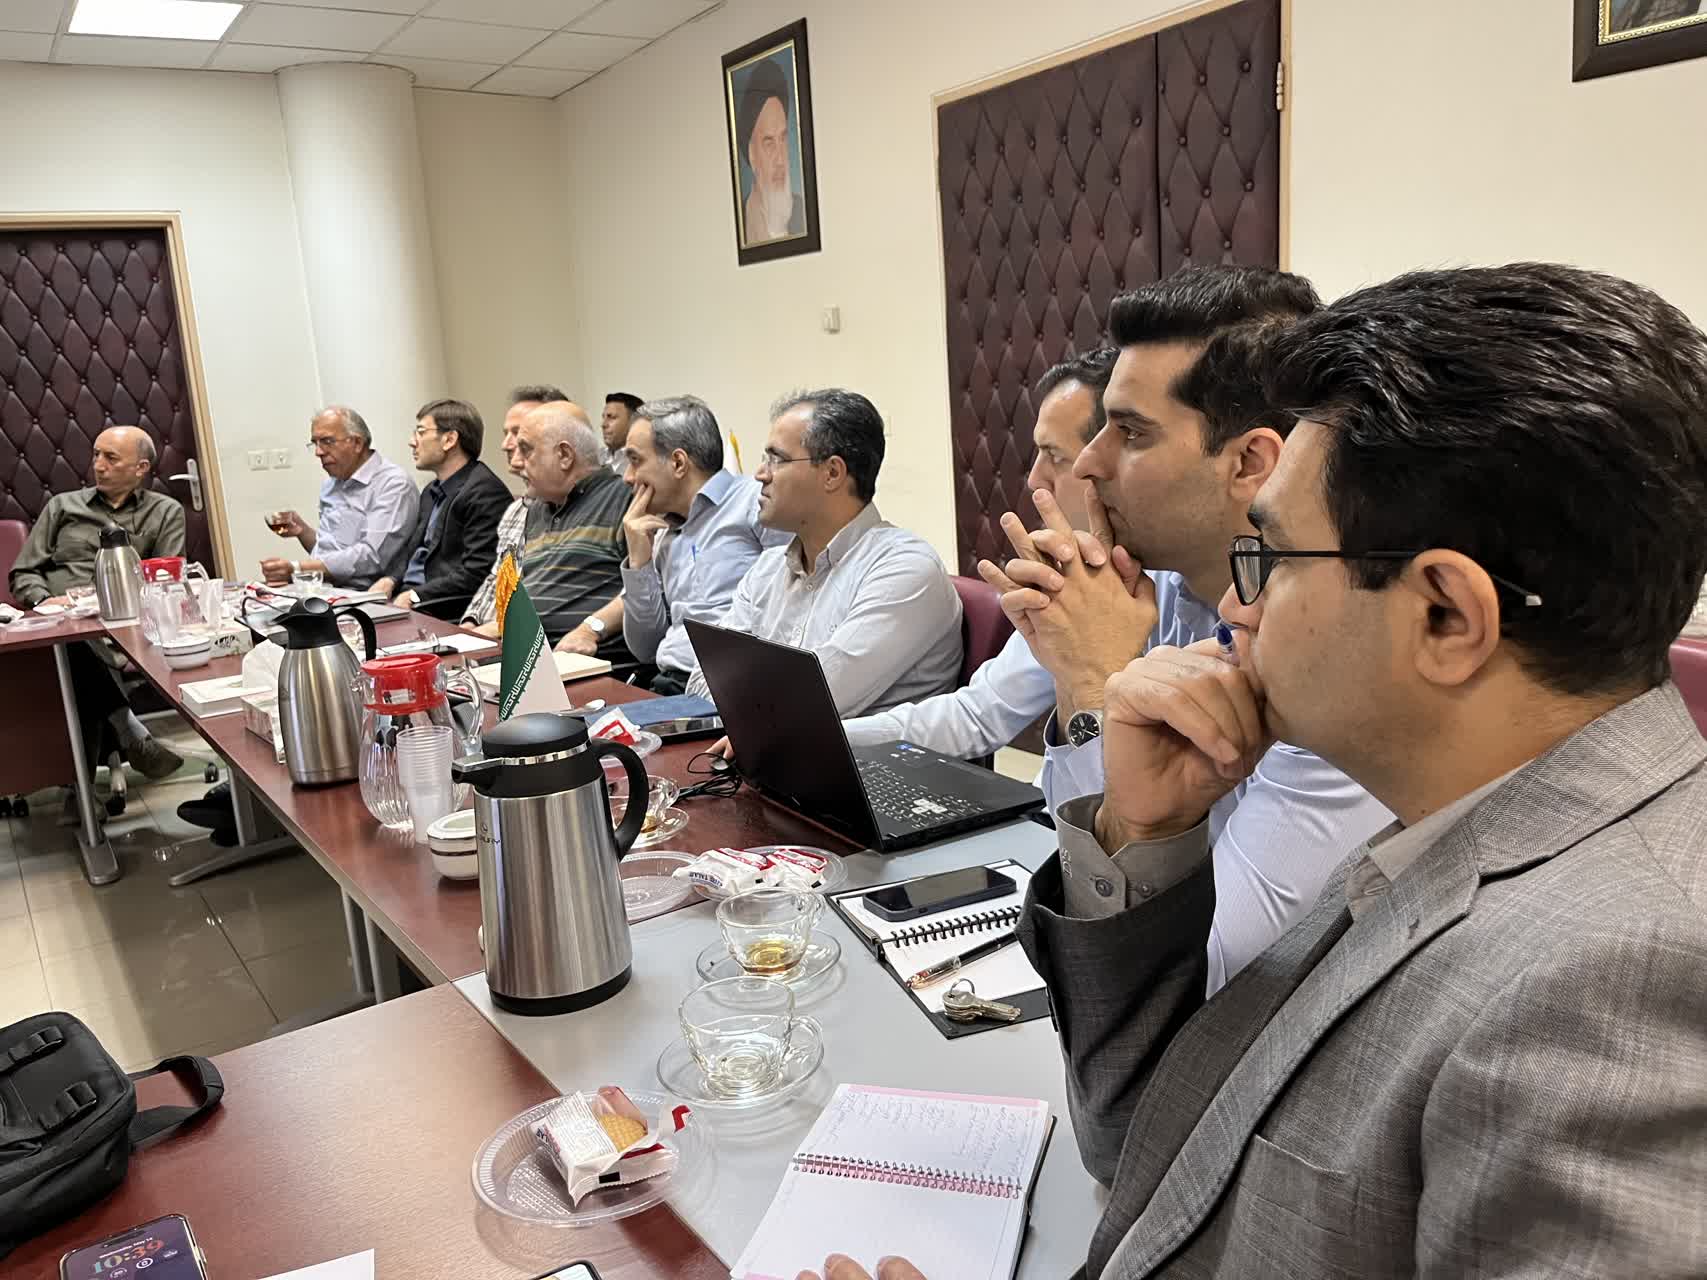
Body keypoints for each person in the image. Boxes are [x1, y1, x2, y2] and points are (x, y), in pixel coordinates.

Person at [820, 263, 1707, 1280]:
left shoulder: (1625, 986)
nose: (1236, 611)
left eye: (1273, 558)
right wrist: (1149, 838)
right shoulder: (1441, 823)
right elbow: (1141, 1140)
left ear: (1445, 615)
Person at [980, 268, 1392, 991]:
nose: (1087, 463)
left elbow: (1204, 973)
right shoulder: (1147, 592)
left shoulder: (1334, 644)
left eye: (1130, 432)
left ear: (1249, 463)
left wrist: (1094, 682)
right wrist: (1082, 687)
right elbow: (1084, 853)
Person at [842, 348, 1114, 756]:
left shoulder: (1199, 595)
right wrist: (825, 738)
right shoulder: (1075, 576)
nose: (1035, 479)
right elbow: (979, 713)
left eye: (1055, 456)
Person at [686, 389, 961, 718]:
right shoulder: (768, 567)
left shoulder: (904, 569)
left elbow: (810, 703)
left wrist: (743, 691)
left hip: (865, 752)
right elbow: (701, 682)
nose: (760, 474)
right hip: (765, 745)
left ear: (832, 473)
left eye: (776, 459)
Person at [9, 425, 185, 782]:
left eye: (111, 458)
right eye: (96, 455)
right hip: (61, 621)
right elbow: (23, 572)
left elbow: (167, 580)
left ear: (141, 468)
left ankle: (81, 792)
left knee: (76, 652)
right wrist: (45, 600)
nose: (98, 465)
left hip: (126, 626)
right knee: (72, 640)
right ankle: (130, 732)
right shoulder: (63, 506)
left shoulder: (164, 512)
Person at [617, 396, 786, 694]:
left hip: (733, 687)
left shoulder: (756, 503)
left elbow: (790, 612)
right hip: (669, 685)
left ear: (678, 463)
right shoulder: (661, 532)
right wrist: (638, 562)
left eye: (635, 461)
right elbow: (645, 648)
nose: (628, 477)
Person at [474, 401, 628, 655]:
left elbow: (646, 589)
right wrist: (500, 625)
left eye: (526, 450)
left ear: (565, 455)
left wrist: (590, 629)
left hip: (586, 657)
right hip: (526, 652)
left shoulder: (623, 498)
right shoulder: (538, 508)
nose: (518, 462)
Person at [367, 398, 512, 620]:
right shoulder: (431, 491)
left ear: (449, 440)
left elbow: (477, 573)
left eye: (420, 432)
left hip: (442, 609)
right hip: (410, 600)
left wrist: (415, 596)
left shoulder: (485, 492)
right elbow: (412, 550)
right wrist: (391, 579)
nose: (412, 442)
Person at [262, 406, 418, 587]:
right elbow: (330, 553)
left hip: (362, 593)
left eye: (327, 441)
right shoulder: (331, 484)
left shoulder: (393, 484)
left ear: (357, 443)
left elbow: (371, 558)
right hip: (322, 586)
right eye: (315, 443)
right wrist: (303, 532)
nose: (318, 452)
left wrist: (297, 569)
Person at [461, 385, 573, 628]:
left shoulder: (571, 509)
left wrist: (496, 629)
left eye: (518, 433)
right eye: (507, 433)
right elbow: (496, 579)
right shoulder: (516, 510)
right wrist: (470, 623)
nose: (506, 444)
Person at [738, 58, 805, 244]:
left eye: (782, 139)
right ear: (752, 155)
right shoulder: (741, 221)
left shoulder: (802, 211)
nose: (780, 159)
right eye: (769, 144)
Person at [602, 392, 643, 472]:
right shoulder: (593, 458)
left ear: (633, 421)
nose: (603, 424)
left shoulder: (643, 460)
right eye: (603, 417)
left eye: (611, 417)